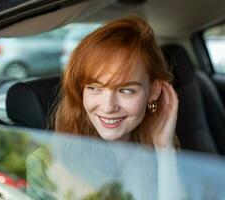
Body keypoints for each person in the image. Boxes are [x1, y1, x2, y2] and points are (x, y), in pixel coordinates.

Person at [52, 16, 180, 149]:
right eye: (94, 88)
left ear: (154, 91)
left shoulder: (157, 144)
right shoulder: (50, 158)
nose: (108, 107)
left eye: (126, 91)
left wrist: (163, 147)